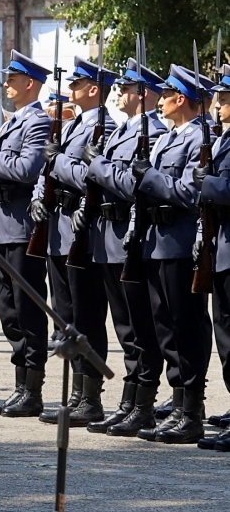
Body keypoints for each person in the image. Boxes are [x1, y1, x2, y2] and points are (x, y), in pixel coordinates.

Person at [85, 63, 167, 435]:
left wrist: (97, 165)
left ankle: (143, 404)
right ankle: (129, 401)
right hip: (108, 235)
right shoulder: (123, 130)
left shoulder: (152, 132)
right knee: (124, 326)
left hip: (127, 237)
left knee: (139, 328)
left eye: (126, 88)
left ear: (143, 93)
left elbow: (132, 185)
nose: (118, 93)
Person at [131, 66, 211, 442]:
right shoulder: (167, 138)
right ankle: (178, 405)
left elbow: (190, 193)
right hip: (156, 240)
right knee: (165, 329)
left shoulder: (197, 139)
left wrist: (148, 177)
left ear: (181, 99)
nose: (158, 99)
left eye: (165, 94)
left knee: (186, 327)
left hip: (178, 242)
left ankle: (192, 411)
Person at [37, 58, 117, 426]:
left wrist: (58, 165)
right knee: (66, 315)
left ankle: (90, 397)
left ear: (94, 89)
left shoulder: (105, 127)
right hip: (57, 228)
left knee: (86, 315)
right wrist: (41, 193)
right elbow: (47, 169)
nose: (70, 90)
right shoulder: (72, 126)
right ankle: (73, 395)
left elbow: (93, 175)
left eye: (77, 84)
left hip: (80, 232)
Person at [0, 54, 51, 416]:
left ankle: (33, 388)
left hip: (22, 224)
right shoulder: (11, 122)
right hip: (2, 222)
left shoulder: (37, 121)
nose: (6, 84)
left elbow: (27, 168)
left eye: (12, 79)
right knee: (7, 307)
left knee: (27, 306)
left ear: (29, 84)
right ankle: (21, 385)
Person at [195, 71, 230, 451]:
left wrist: (208, 182)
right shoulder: (223, 139)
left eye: (224, 98)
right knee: (225, 334)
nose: (217, 105)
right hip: (221, 248)